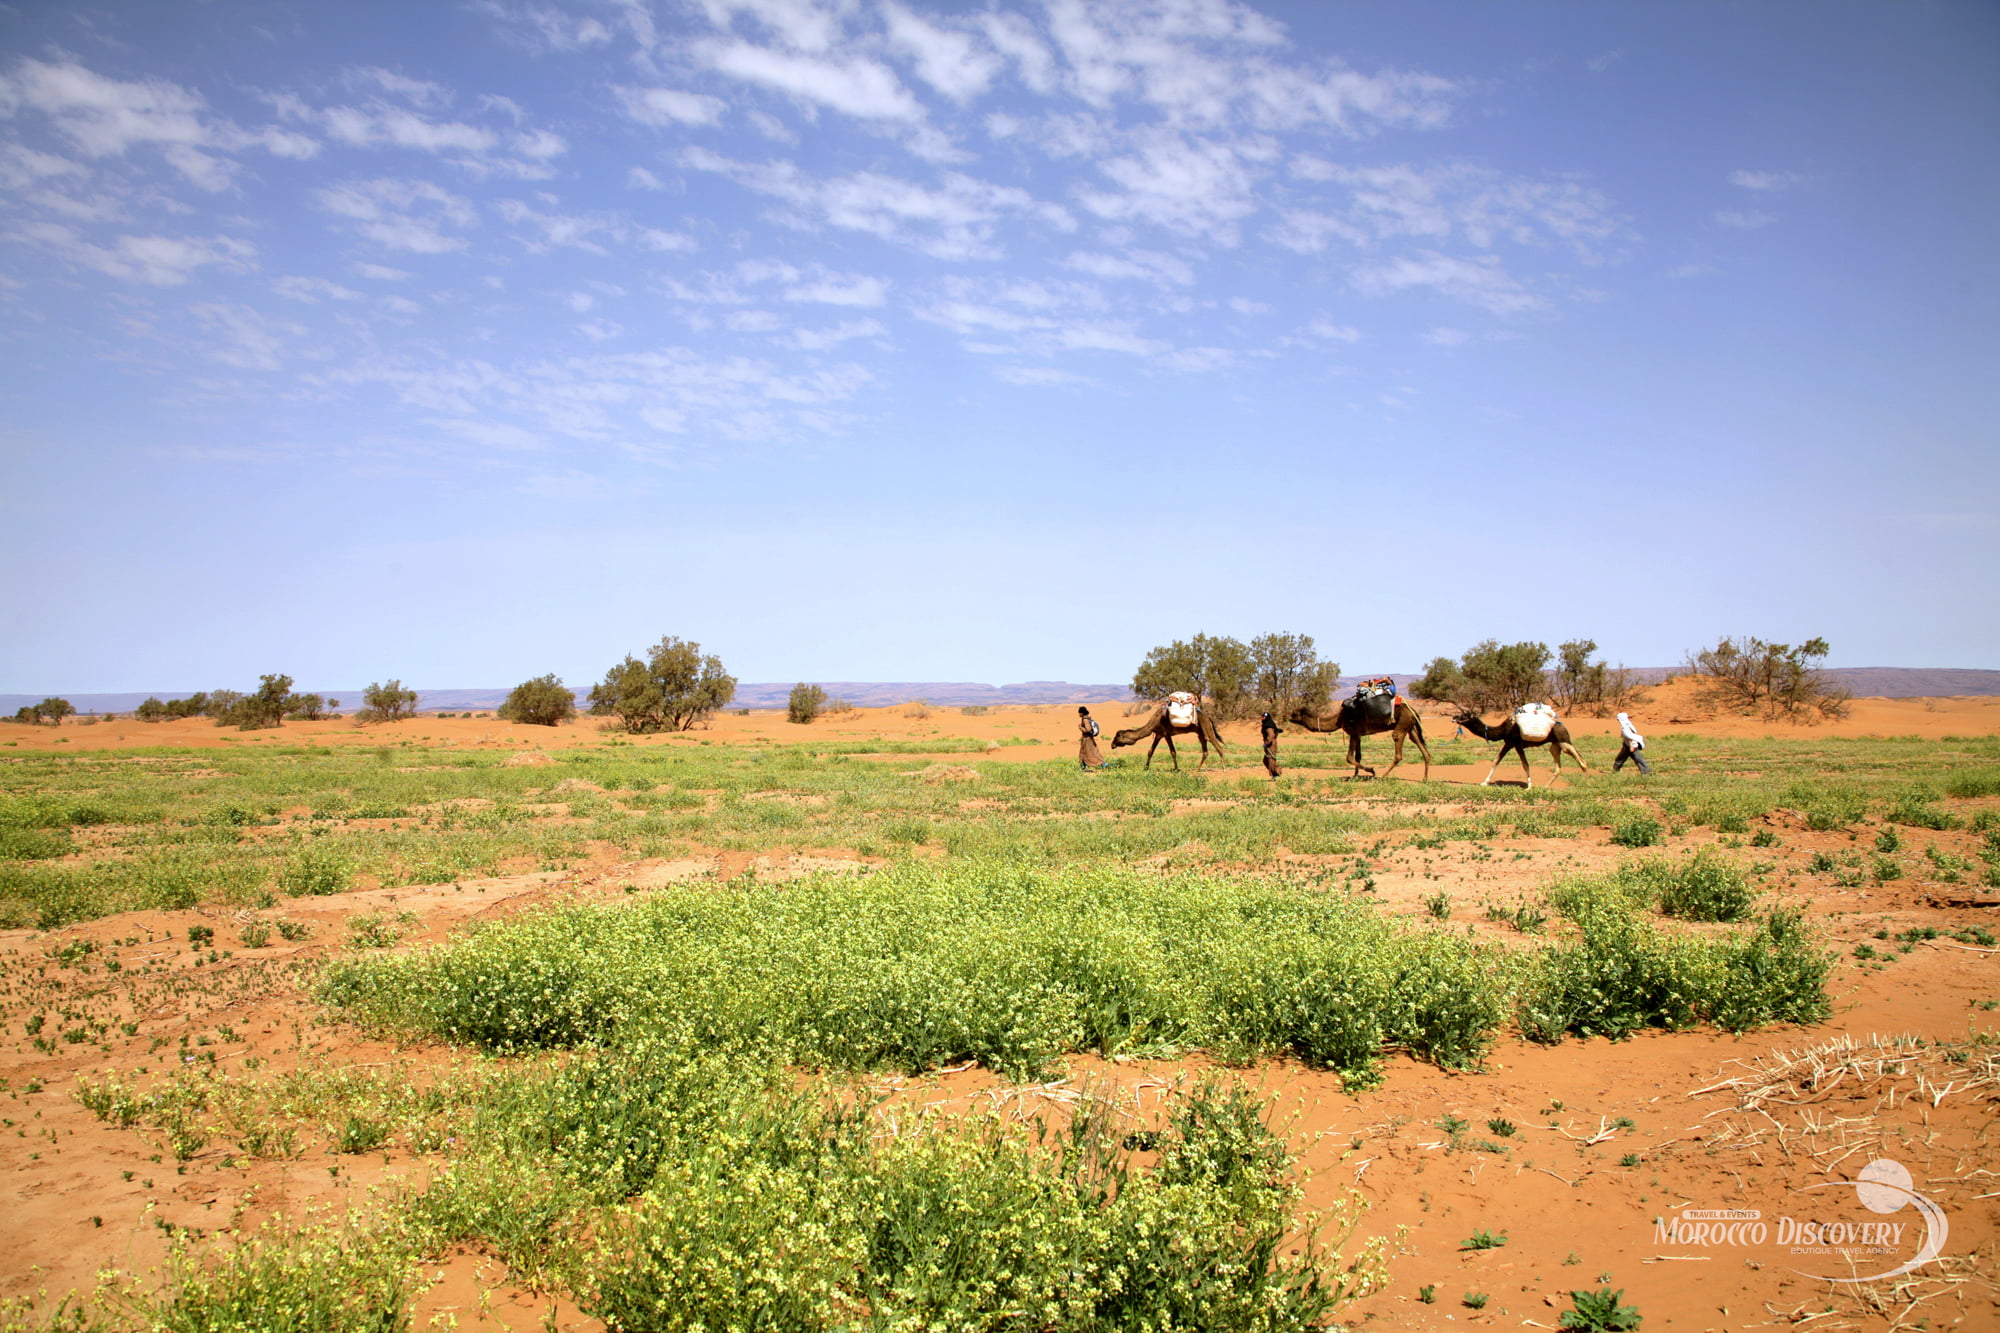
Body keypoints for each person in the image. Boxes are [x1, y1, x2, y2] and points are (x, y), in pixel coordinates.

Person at [1077, 706, 1105, 771]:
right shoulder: (1086, 719)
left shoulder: (1085, 720)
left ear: (1082, 713)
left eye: (1079, 713)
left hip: (1087, 739)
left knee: (1093, 752)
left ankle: (1103, 763)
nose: (1079, 714)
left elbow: (1088, 729)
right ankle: (1083, 766)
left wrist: (1080, 727)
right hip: (1085, 739)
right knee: (1083, 752)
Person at [1260, 712, 1283, 779]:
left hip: (1271, 745)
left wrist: (1266, 743)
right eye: (1262, 716)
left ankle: (1276, 773)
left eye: (1264, 717)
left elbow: (1271, 735)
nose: (1262, 718)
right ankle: (1275, 773)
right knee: (1266, 760)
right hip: (1269, 745)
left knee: (1271, 761)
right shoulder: (1266, 725)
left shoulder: (1268, 726)